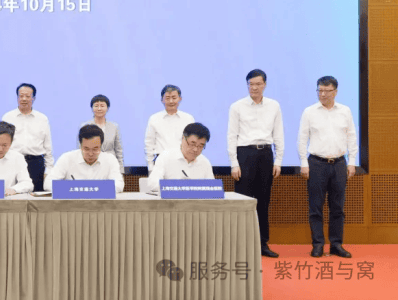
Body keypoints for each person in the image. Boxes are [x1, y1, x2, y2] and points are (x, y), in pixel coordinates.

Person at [297, 76, 357, 258]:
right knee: (316, 207)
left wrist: (352, 161)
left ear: (335, 92)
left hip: (339, 163)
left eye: (326, 91)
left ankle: (336, 245)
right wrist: (303, 162)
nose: (322, 94)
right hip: (316, 164)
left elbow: (351, 136)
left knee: (337, 207)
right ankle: (318, 245)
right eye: (319, 90)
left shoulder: (345, 111)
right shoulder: (309, 112)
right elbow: (302, 139)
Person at [227, 69, 284, 258]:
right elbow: (231, 136)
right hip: (244, 154)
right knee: (243, 202)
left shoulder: (274, 106)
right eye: (251, 84)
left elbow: (278, 134)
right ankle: (241, 246)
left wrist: (278, 160)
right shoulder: (237, 106)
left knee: (263, 201)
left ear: (264, 85)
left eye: (258, 84)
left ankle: (262, 243)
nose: (254, 88)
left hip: (265, 154)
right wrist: (234, 163)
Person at [2, 83, 53, 191]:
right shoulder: (8, 117)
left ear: (33, 98)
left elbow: (47, 147)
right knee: (12, 194)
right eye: (21, 96)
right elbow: (3, 143)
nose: (24, 99)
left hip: (36, 163)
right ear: (17, 97)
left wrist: (48, 170)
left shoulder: (42, 118)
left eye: (27, 96)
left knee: (37, 196)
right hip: (13, 162)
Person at [47, 124, 124, 193]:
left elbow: (119, 185)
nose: (90, 154)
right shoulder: (67, 158)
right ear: (80, 145)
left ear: (101, 146)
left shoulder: (110, 159)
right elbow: (48, 184)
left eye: (95, 149)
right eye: (86, 149)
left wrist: (80, 188)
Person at [147, 122, 214, 193]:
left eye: (200, 146)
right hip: (171, 199)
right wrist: (179, 187)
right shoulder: (166, 157)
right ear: (183, 139)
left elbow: (212, 189)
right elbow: (153, 184)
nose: (195, 149)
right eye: (192, 144)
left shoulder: (205, 162)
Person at [144, 85, 195, 173]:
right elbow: (149, 144)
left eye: (174, 98)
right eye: (167, 98)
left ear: (180, 99)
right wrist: (150, 167)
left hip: (183, 163)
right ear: (162, 100)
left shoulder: (188, 119)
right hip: (161, 163)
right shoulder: (154, 119)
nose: (171, 101)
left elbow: (193, 143)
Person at [80, 94, 124, 173]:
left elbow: (118, 150)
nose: (99, 108)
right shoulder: (85, 126)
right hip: (91, 166)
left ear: (107, 108)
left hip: (110, 166)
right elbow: (81, 149)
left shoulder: (114, 127)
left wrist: (121, 171)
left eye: (102, 106)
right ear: (92, 108)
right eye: (96, 106)